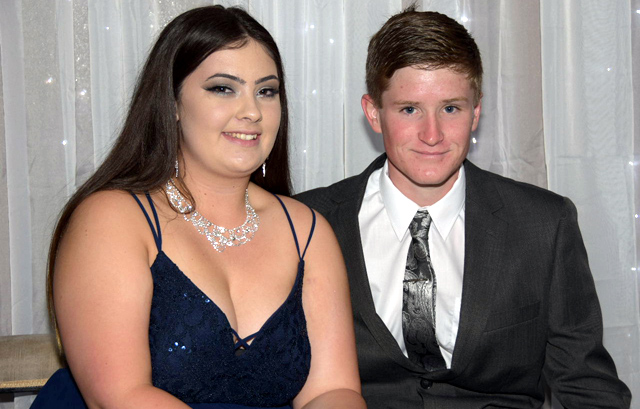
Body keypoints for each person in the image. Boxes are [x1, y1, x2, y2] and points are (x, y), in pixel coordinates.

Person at [32, 5, 365, 409]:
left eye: (266, 91)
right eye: (223, 88)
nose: (252, 111)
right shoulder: (111, 219)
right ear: (171, 102)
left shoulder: (307, 230)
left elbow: (333, 390)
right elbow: (120, 396)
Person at [297, 6, 631, 409]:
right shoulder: (308, 222)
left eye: (450, 108)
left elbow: (587, 387)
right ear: (374, 113)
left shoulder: (544, 224)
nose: (432, 134)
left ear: (476, 112)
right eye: (409, 109)